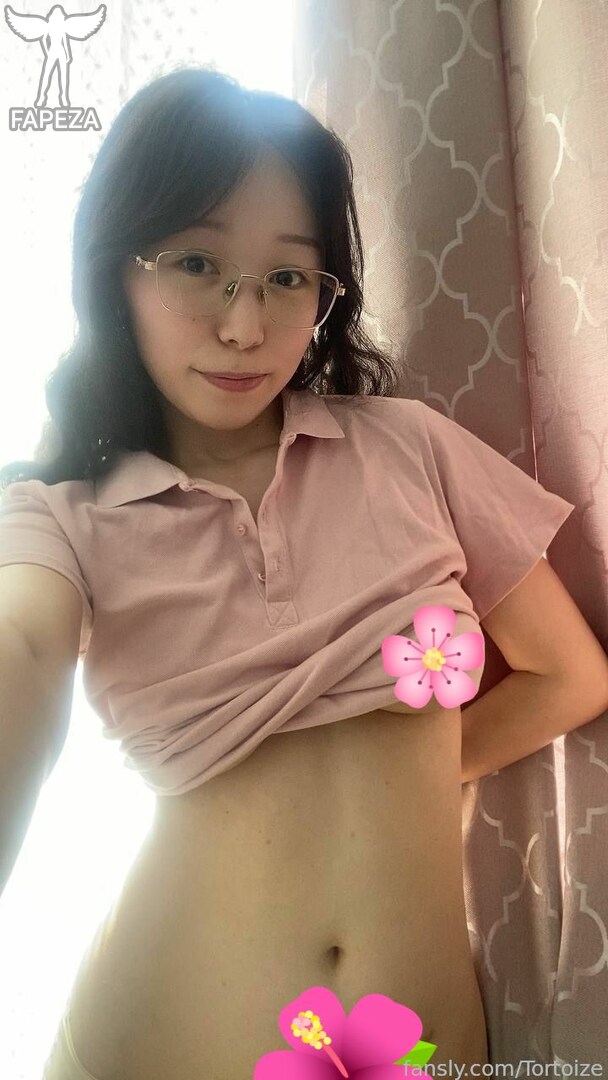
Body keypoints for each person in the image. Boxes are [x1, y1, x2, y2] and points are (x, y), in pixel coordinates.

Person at [1, 64, 599, 1080]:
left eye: (287, 277)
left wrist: (407, 776)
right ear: (115, 272)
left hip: (408, 1056)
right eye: (197, 264)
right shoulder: (58, 512)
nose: (244, 326)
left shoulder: (408, 448)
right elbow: (19, 646)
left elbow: (570, 675)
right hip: (153, 1043)